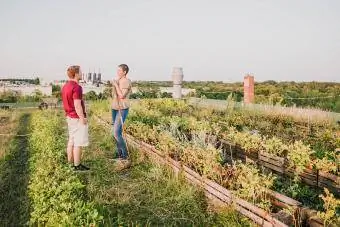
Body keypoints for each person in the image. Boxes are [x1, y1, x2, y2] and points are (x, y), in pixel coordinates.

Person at [61, 65, 90, 171]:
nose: (82, 74)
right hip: (76, 117)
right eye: (81, 72)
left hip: (69, 116)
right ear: (76, 74)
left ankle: (70, 163)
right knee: (78, 142)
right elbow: (77, 105)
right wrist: (82, 118)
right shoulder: (77, 87)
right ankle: (77, 165)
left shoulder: (65, 86)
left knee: (72, 139)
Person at [111, 64, 132, 168]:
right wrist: (115, 84)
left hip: (122, 108)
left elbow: (122, 96)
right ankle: (119, 155)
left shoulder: (126, 81)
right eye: (117, 70)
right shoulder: (118, 81)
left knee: (116, 132)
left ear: (124, 72)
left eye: (119, 70)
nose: (117, 72)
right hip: (115, 108)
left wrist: (115, 85)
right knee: (115, 132)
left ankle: (125, 156)